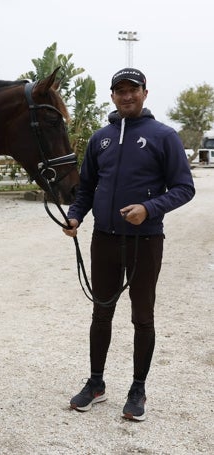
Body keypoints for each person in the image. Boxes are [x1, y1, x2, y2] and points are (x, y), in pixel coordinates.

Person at [62, 68, 195, 421]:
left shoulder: (163, 136)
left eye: (132, 90)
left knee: (142, 317)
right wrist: (75, 216)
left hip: (145, 241)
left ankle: (138, 389)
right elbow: (87, 188)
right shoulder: (99, 139)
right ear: (113, 97)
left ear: (145, 93)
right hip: (104, 239)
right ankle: (96, 384)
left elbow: (184, 187)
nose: (127, 96)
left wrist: (149, 209)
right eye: (120, 91)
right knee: (100, 312)